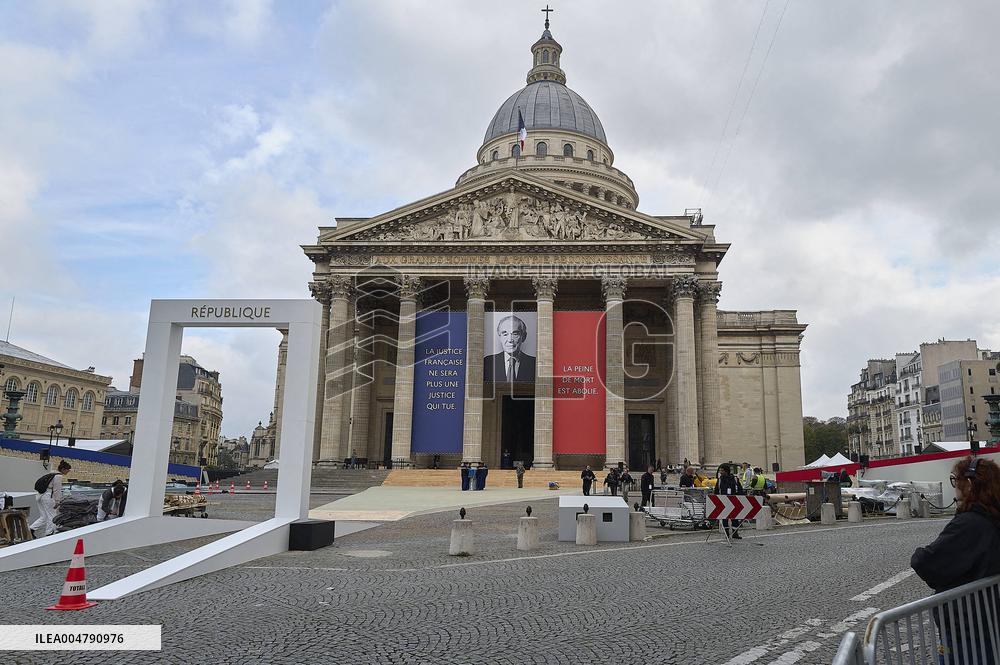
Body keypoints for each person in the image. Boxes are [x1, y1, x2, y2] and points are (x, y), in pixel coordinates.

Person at [911, 456, 1000, 662]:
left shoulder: (970, 524)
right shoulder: (992, 518)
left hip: (967, 627)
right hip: (989, 620)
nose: (955, 487)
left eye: (955, 480)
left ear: (968, 483)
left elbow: (926, 562)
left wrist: (919, 553)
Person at [483, 315, 536, 382]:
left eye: (515, 334)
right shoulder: (488, 362)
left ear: (523, 337)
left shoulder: (534, 364)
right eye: (505, 334)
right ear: (500, 337)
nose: (510, 340)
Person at [30, 460, 71, 538]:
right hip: (48, 497)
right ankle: (49, 533)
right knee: (52, 516)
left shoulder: (51, 473)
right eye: (67, 470)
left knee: (44, 517)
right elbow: (56, 490)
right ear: (63, 469)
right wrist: (57, 501)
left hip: (40, 495)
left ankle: (31, 529)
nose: (68, 472)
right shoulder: (58, 476)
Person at [714, 464, 743, 539]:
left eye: (722, 470)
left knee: (735, 518)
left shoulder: (734, 479)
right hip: (723, 501)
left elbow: (739, 489)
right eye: (720, 470)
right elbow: (717, 490)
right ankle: (726, 533)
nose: (720, 472)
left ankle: (735, 533)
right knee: (725, 518)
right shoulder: (720, 479)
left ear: (726, 471)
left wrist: (741, 499)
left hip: (734, 500)